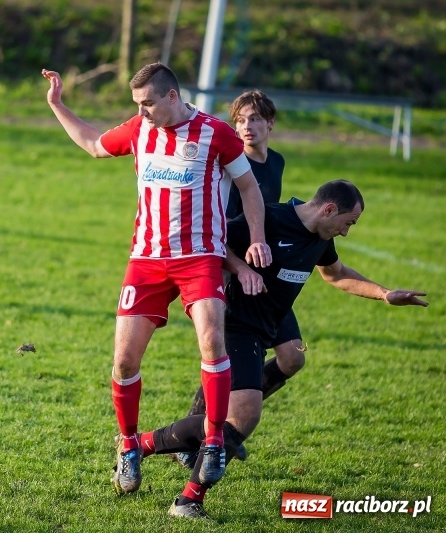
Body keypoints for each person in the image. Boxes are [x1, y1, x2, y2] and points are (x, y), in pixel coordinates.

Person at [41, 63, 272, 494]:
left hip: (200, 259)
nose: (142, 112)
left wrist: (256, 238)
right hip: (146, 261)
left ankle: (214, 443)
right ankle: (128, 446)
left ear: (171, 97)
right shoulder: (138, 129)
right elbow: (93, 144)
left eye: (148, 103)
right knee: (125, 361)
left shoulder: (215, 134)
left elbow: (249, 188)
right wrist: (58, 104)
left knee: (212, 342)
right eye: (137, 105)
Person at [135, 180, 428, 519]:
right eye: (348, 222)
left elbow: (336, 274)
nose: (346, 232)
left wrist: (384, 293)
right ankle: (180, 489)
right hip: (239, 320)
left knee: (292, 357)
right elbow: (212, 245)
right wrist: (242, 269)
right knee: (244, 415)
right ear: (329, 210)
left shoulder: (322, 237)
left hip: (275, 313)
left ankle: (213, 425)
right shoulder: (268, 220)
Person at [186, 89, 305, 418]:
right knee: (221, 356)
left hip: (264, 270)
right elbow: (219, 230)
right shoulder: (231, 166)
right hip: (232, 269)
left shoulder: (277, 162)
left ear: (270, 123)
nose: (246, 126)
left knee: (293, 357)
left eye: (254, 119)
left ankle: (234, 408)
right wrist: (236, 270)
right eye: (239, 120)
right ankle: (198, 427)